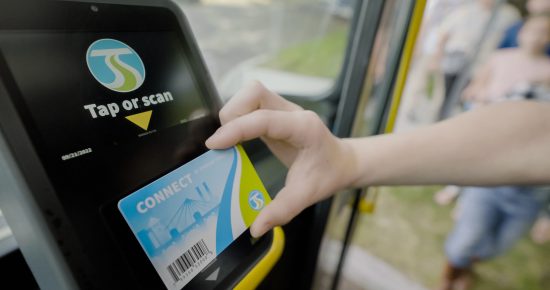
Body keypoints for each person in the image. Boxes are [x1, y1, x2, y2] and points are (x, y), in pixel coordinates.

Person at [431, 0, 520, 118]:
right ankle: (440, 121)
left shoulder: (510, 15)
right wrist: (436, 58)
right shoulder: (464, 10)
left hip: (483, 66)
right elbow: (444, 33)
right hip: (455, 60)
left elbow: (511, 44)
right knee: (446, 96)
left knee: (469, 99)